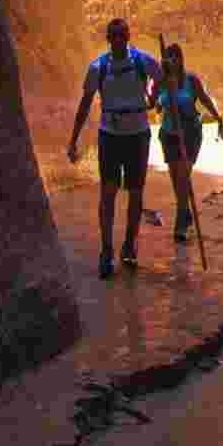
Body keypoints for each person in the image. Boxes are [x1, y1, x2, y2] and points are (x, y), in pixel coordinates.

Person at [67, 16, 159, 278]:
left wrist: (153, 96)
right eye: (114, 35)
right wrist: (73, 139)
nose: (118, 39)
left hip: (138, 136)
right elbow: (85, 103)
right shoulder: (98, 67)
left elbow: (163, 77)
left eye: (122, 34)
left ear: (128, 36)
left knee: (135, 193)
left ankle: (130, 244)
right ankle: (106, 250)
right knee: (108, 194)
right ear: (108, 39)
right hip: (110, 136)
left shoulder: (143, 61)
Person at [155, 41, 223, 244]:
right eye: (168, 57)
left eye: (175, 57)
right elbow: (155, 104)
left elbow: (204, 99)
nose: (172, 61)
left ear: (181, 59)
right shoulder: (161, 81)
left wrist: (218, 118)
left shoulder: (191, 80)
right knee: (177, 180)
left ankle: (181, 222)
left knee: (183, 176)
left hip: (190, 133)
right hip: (169, 135)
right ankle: (185, 214)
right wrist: (158, 101)